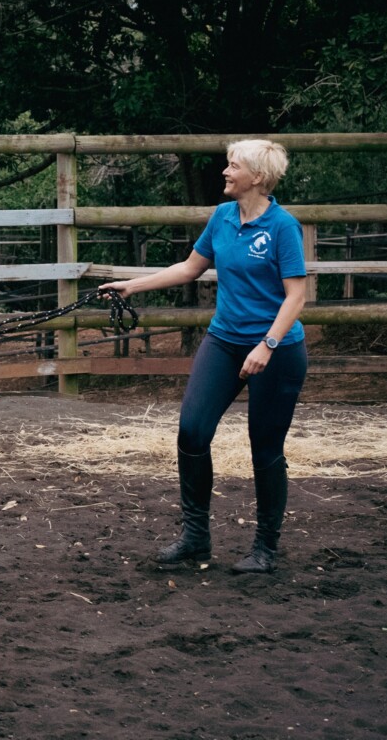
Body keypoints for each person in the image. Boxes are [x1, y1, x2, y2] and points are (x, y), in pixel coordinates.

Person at [102, 139, 309, 574]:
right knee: (193, 431)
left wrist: (267, 345)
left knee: (265, 447)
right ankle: (196, 538)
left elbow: (296, 296)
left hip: (277, 350)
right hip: (224, 340)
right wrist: (131, 286)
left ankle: (265, 549)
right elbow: (189, 268)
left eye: (233, 166)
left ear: (257, 176)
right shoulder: (221, 218)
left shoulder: (282, 227)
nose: (225, 172)